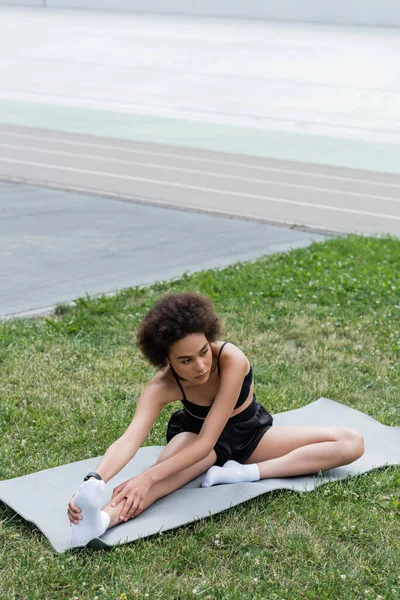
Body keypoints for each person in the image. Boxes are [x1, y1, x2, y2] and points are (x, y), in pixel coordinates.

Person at [68, 292, 364, 546]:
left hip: (249, 436)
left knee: (351, 443)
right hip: (196, 442)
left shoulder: (231, 358)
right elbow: (130, 438)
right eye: (185, 360)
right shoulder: (160, 386)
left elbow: (213, 436)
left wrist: (147, 476)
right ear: (165, 360)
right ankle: (100, 520)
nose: (200, 366)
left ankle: (246, 473)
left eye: (202, 352)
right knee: (155, 483)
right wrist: (95, 480)